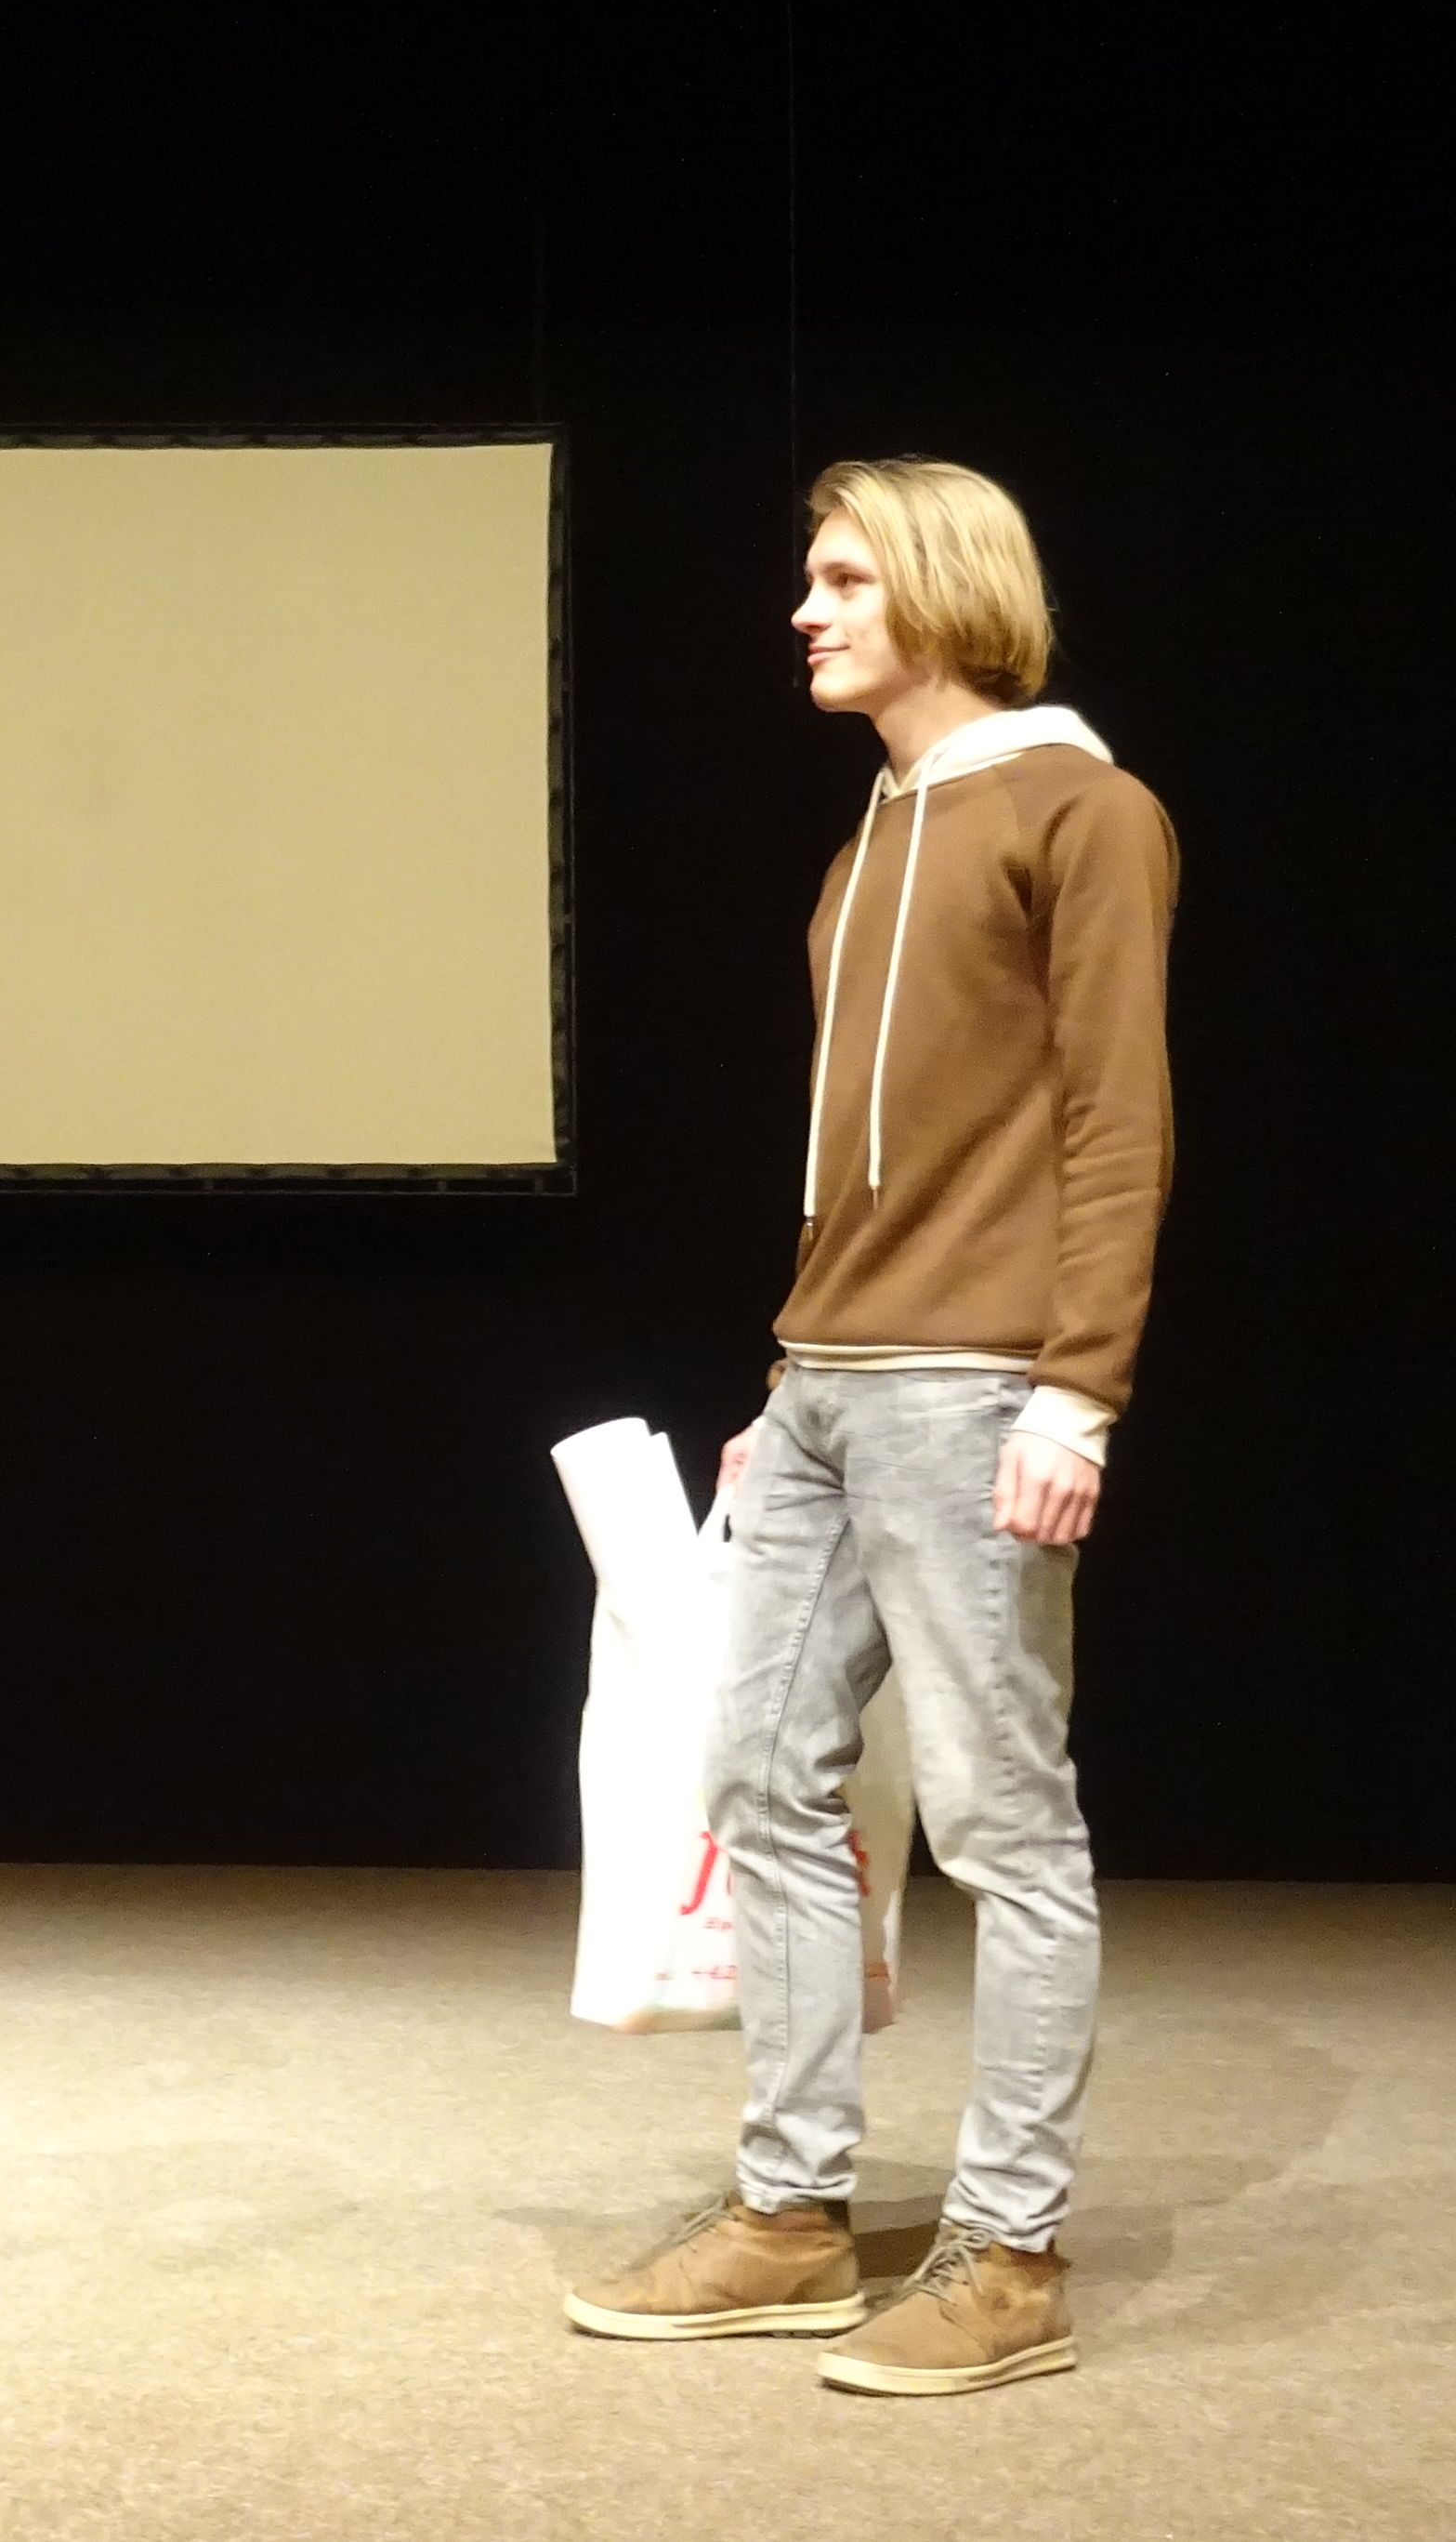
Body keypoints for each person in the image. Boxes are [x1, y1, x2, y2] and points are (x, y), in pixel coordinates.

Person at [565, 456, 1175, 2396]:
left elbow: (1117, 1123)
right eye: (810, 580)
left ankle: (1009, 2254)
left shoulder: (1081, 811)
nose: (805, 612)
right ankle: (793, 2215)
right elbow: (860, 1157)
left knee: (1001, 1820)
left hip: (978, 1387)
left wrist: (1077, 1389)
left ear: (940, 589)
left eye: (843, 580)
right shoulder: (870, 840)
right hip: (829, 1381)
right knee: (755, 1782)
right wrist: (785, 1381)